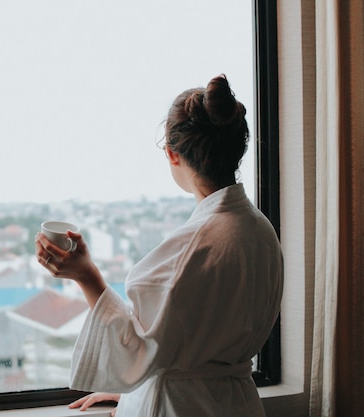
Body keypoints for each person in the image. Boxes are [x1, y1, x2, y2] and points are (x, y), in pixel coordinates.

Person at [34, 74, 284, 417]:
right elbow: (196, 351)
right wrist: (136, 392)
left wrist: (86, 275)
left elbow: (137, 354)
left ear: (172, 153)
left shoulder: (193, 247)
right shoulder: (262, 232)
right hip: (238, 403)